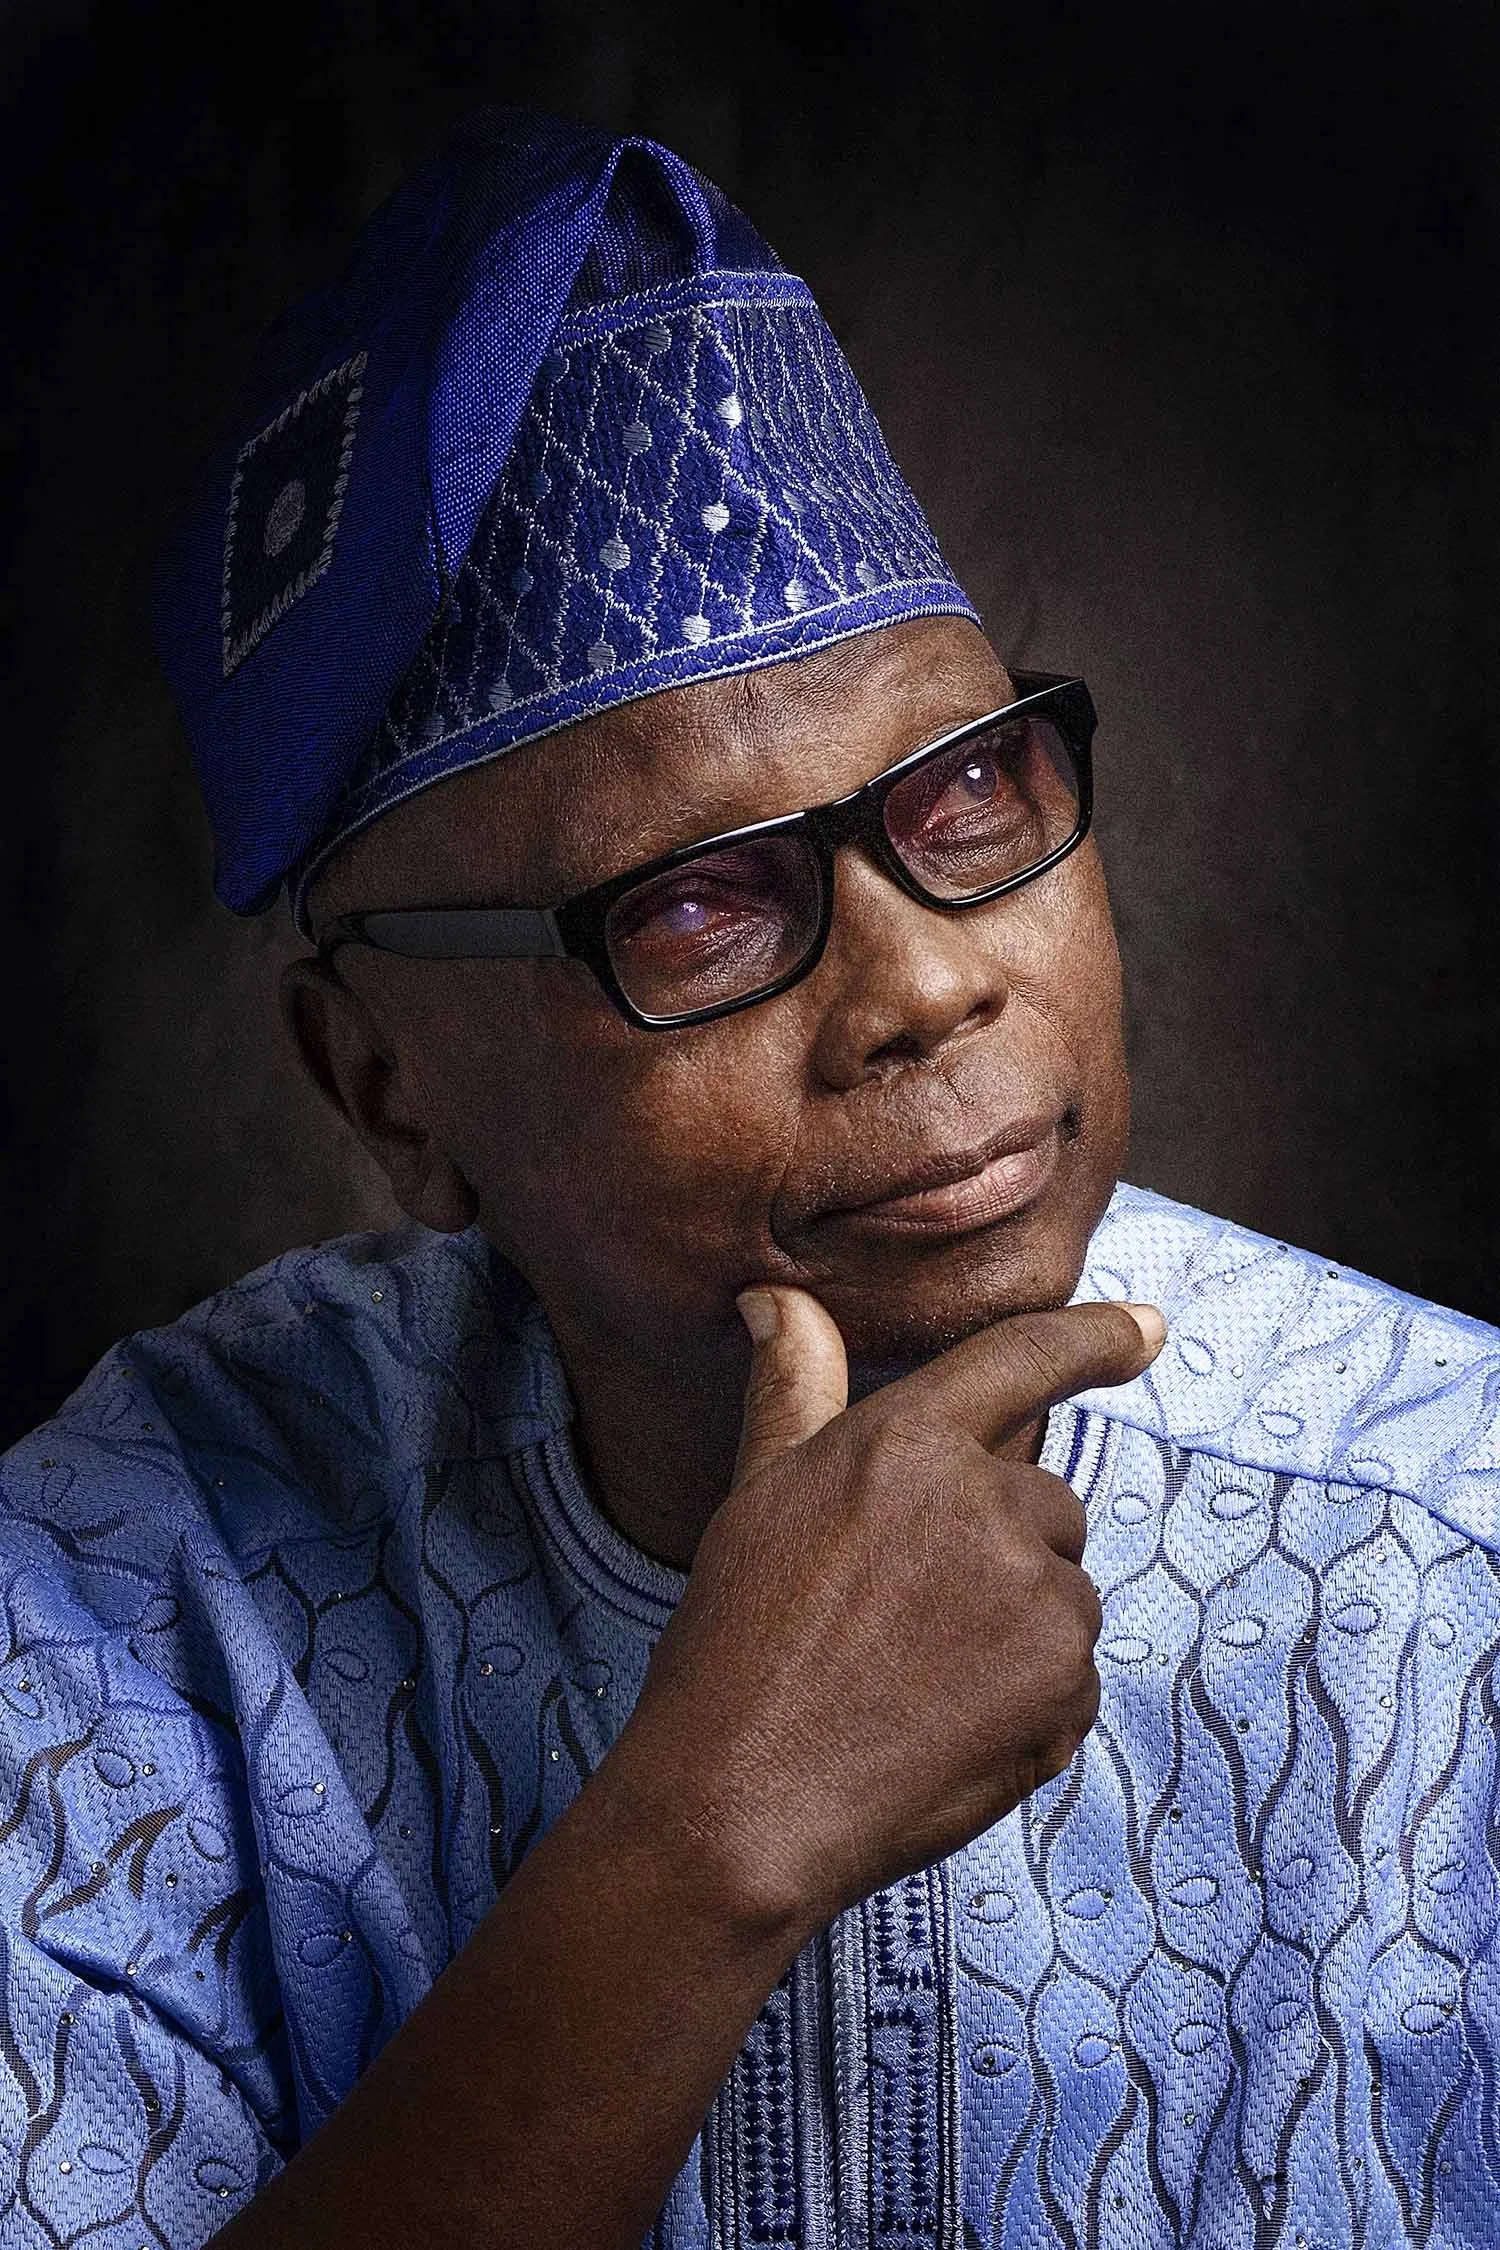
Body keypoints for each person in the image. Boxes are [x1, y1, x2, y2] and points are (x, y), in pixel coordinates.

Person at [3, 107, 1496, 2250]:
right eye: (701, 908)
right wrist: (714, 1832)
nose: (927, 981)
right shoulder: (125, 1617)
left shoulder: (1457, 1560)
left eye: (974, 792)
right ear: (386, 1087)